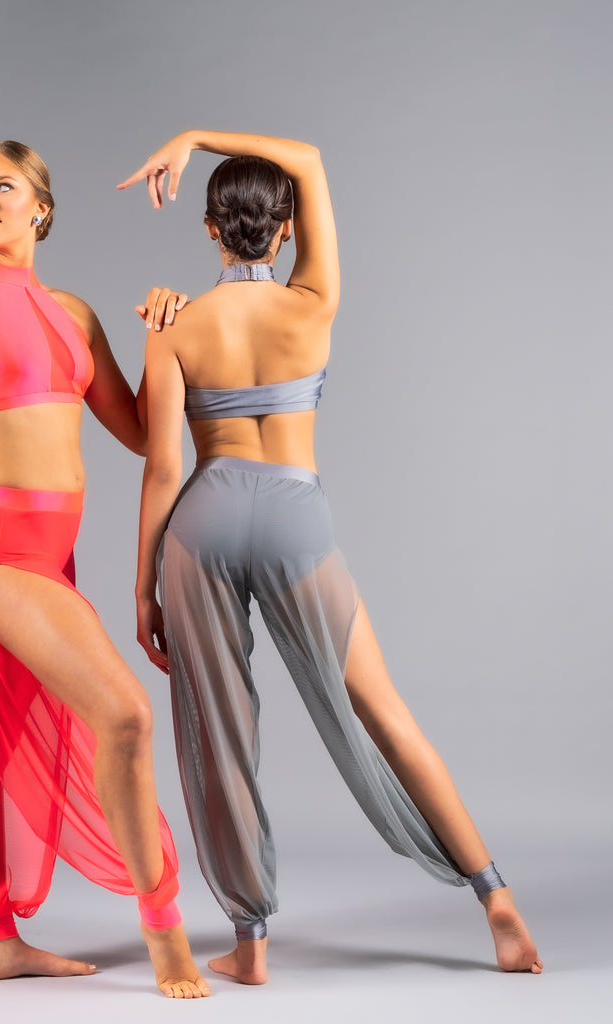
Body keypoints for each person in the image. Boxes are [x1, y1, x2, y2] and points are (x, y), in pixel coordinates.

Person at [119, 130, 543, 985]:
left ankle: (249, 945)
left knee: (219, 733)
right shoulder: (313, 303)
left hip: (202, 520)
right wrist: (196, 136)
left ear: (209, 229)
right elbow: (307, 159)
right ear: (285, 230)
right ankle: (494, 897)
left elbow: (161, 466)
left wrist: (142, 590)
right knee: (383, 710)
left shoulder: (175, 328)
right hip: (293, 515)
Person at [0, 140, 209, 998]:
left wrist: (164, 331)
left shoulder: (74, 314)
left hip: (55, 554)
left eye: (3, 186)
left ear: (41, 209)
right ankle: (163, 924)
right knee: (124, 714)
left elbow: (143, 432)